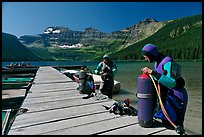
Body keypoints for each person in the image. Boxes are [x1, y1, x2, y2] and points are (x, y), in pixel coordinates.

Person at [141, 43, 188, 129]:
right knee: (166, 123)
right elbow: (159, 79)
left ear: (151, 54)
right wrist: (149, 75)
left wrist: (153, 73)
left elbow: (172, 82)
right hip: (167, 97)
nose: (145, 59)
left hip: (177, 97)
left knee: (176, 124)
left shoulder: (167, 61)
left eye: (145, 56)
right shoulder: (156, 63)